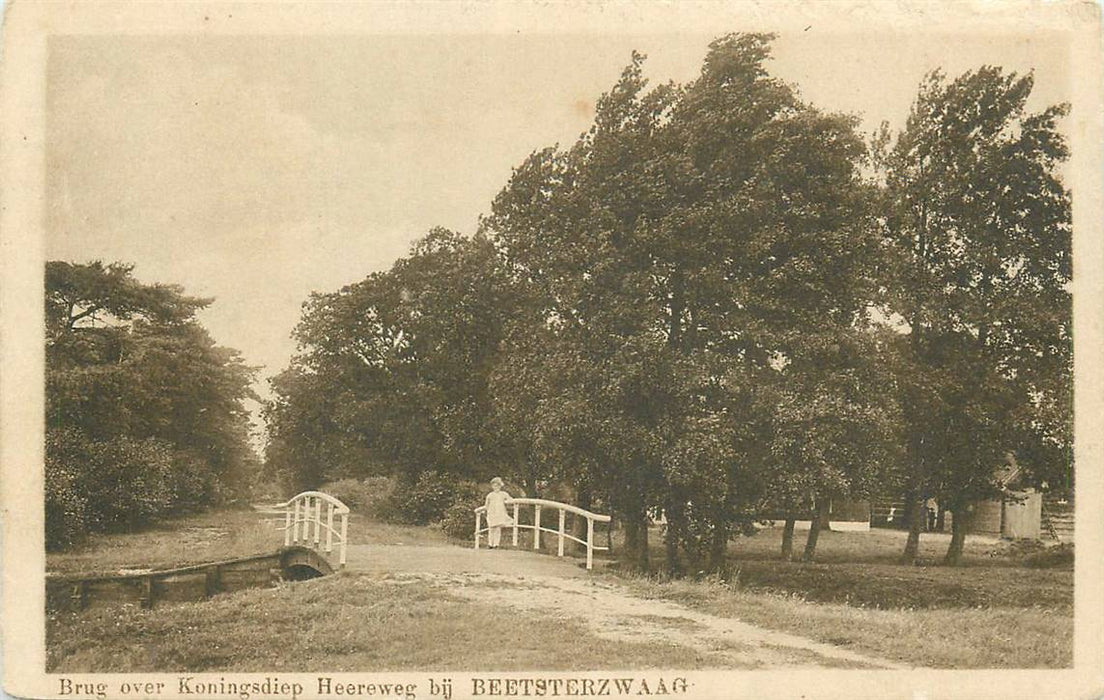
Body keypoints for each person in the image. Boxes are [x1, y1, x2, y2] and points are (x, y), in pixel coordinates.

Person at [484, 477, 513, 549]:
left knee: (497, 529)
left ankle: (496, 544)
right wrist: (486, 512)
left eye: (498, 485)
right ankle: (490, 544)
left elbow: (510, 499)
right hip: (492, 513)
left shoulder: (503, 494)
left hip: (499, 513)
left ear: (500, 486)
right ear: (492, 486)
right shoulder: (490, 495)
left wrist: (508, 502)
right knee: (491, 529)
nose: (496, 487)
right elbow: (486, 505)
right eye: (494, 486)